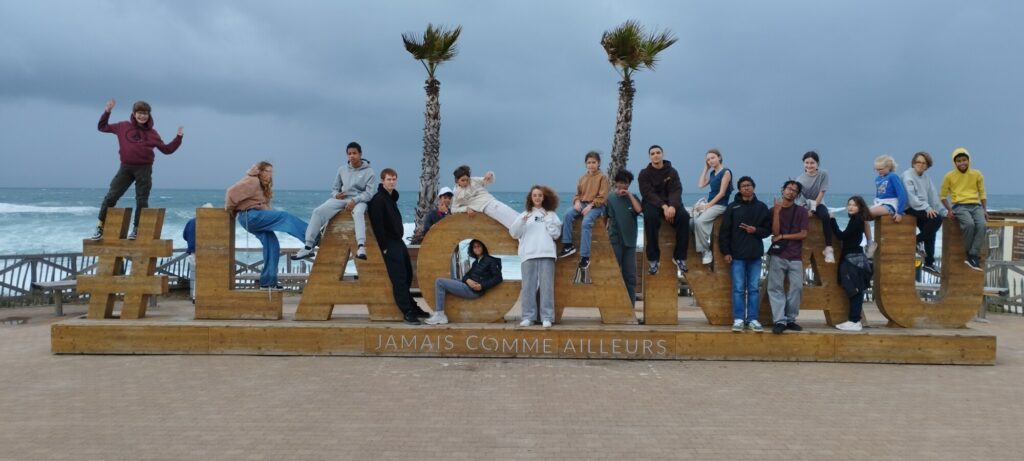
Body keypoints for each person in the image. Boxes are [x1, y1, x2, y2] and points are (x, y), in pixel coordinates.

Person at [92, 99, 184, 240]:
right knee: (111, 196)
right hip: (125, 168)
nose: (143, 116)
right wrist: (107, 111)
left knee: (142, 200)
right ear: (134, 114)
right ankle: (100, 226)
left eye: (145, 113)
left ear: (149, 115)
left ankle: (136, 229)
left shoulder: (153, 133)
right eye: (140, 113)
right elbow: (102, 127)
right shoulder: (123, 126)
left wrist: (178, 138)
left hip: (144, 169)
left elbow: (167, 150)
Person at [224, 162, 308, 290]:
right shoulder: (253, 181)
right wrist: (230, 210)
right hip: (250, 216)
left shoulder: (263, 186)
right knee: (284, 217)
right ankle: (312, 239)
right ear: (260, 171)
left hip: (254, 218)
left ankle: (268, 282)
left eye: (272, 171)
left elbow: (265, 208)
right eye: (268, 171)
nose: (270, 174)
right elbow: (231, 192)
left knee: (272, 246)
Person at [293, 142, 376, 261]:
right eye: (349, 154)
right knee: (318, 211)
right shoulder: (342, 169)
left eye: (354, 153)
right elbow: (334, 188)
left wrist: (355, 200)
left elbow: (369, 193)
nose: (352, 156)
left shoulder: (369, 171)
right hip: (343, 199)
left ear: (360, 154)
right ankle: (308, 247)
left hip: (359, 201)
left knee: (358, 213)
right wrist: (336, 195)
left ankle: (361, 247)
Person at [368, 168, 429, 325]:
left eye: (394, 179)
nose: (392, 182)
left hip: (398, 241)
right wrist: (384, 247)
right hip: (389, 243)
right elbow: (377, 225)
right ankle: (407, 312)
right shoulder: (378, 199)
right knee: (399, 278)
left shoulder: (390, 198)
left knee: (408, 274)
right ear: (382, 181)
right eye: (389, 179)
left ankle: (412, 306)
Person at [718, 176, 771, 333]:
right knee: (738, 289)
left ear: (753, 187)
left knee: (754, 289)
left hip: (755, 255)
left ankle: (753, 319)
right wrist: (726, 252)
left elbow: (768, 230)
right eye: (743, 186)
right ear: (739, 189)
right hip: (737, 256)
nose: (746, 188)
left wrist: (755, 230)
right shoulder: (732, 207)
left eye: (749, 185)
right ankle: (739, 319)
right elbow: (724, 232)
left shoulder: (761, 207)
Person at [509, 185, 561, 328]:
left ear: (544, 198)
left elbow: (556, 234)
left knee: (547, 288)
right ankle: (528, 317)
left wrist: (547, 219)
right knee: (528, 287)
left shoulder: (551, 214)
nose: (537, 198)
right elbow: (514, 233)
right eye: (535, 195)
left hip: (547, 254)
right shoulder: (525, 214)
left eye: (540, 195)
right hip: (528, 255)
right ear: (531, 198)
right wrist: (522, 221)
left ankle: (547, 317)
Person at [638, 145, 690, 275]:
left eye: (658, 152)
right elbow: (647, 193)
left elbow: (676, 190)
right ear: (649, 157)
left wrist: (672, 206)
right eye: (652, 153)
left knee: (684, 217)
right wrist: (664, 206)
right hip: (652, 203)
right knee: (650, 218)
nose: (655, 155)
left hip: (671, 203)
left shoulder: (672, 172)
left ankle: (679, 257)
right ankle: (653, 259)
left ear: (663, 154)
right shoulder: (644, 173)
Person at [425, 239, 503, 325]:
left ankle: (440, 315)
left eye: (479, 246)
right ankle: (443, 312)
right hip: (469, 286)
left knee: (440, 282)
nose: (476, 248)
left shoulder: (490, 260)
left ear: (483, 247)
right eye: (474, 247)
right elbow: (466, 276)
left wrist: (482, 286)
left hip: (473, 291)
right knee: (453, 279)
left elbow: (498, 278)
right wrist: (468, 280)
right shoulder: (476, 262)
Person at [767, 180, 809, 334]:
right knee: (775, 287)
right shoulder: (773, 210)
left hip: (795, 256)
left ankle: (790, 319)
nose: (791, 192)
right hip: (778, 255)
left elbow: (803, 234)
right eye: (789, 188)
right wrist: (777, 213)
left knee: (797, 287)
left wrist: (784, 236)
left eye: (794, 190)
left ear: (797, 194)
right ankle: (780, 320)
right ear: (783, 190)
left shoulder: (801, 211)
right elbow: (775, 233)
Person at [558, 151, 610, 268]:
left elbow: (602, 197)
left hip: (597, 206)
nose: (591, 165)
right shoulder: (582, 178)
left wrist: (590, 206)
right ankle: (568, 245)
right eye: (589, 162)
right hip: (582, 203)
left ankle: (585, 257)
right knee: (567, 214)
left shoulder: (603, 177)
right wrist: (577, 202)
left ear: (598, 163)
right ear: (585, 164)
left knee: (586, 223)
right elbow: (577, 194)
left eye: (594, 162)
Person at [940, 147, 988, 271]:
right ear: (954, 162)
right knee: (969, 225)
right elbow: (942, 196)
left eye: (964, 160)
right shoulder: (949, 176)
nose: (962, 163)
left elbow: (982, 193)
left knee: (982, 225)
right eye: (959, 161)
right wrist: (949, 210)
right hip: (959, 206)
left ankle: (972, 254)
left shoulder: (977, 174)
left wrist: (984, 210)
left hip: (976, 205)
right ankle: (969, 254)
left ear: (969, 160)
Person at [830, 196, 873, 332]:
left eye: (854, 205)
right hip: (852, 257)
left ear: (860, 207)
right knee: (854, 290)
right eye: (849, 204)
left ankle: (855, 321)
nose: (850, 207)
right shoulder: (857, 220)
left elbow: (842, 236)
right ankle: (853, 320)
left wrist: (832, 220)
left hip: (853, 260)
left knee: (854, 290)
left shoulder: (857, 220)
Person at [902, 151, 947, 273]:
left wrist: (944, 212)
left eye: (924, 163)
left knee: (931, 231)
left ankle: (928, 263)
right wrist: (927, 208)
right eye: (918, 162)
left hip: (922, 208)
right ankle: (915, 241)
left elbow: (933, 198)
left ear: (927, 166)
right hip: (909, 208)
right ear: (913, 163)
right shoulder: (907, 175)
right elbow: (912, 199)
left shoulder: (926, 178)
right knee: (936, 219)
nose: (920, 165)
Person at [605, 169, 642, 306]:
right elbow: (605, 218)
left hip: (630, 242)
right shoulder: (610, 198)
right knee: (613, 274)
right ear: (616, 183)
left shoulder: (633, 197)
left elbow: (639, 210)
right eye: (620, 182)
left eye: (626, 183)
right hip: (615, 241)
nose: (623, 186)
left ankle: (630, 307)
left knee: (630, 277)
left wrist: (630, 195)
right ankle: (612, 305)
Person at [795, 151, 836, 263]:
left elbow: (822, 192)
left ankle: (828, 248)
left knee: (825, 215)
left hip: (818, 203)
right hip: (804, 204)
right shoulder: (799, 179)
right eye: (807, 162)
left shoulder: (823, 174)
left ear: (817, 163)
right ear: (803, 163)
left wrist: (813, 209)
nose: (809, 165)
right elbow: (800, 198)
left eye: (812, 163)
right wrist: (805, 209)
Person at [693, 148, 733, 265]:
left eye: (713, 158)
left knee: (699, 222)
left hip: (720, 205)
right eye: (708, 159)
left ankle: (706, 251)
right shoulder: (712, 173)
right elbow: (700, 185)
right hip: (711, 204)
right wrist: (706, 169)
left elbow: (722, 193)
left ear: (719, 157)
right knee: (692, 220)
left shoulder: (726, 172)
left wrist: (707, 206)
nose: (710, 161)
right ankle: (703, 244)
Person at [451, 165, 519, 228]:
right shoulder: (456, 193)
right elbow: (453, 209)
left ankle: (523, 227)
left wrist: (490, 174)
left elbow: (487, 181)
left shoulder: (474, 180)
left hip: (491, 201)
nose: (465, 182)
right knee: (507, 219)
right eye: (463, 180)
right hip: (484, 208)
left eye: (467, 180)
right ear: (457, 180)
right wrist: (466, 209)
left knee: (510, 213)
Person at [182, 203, 214, 303]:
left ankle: (196, 297)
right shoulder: (208, 222)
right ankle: (205, 296)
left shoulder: (191, 222)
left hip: (192, 252)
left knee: (199, 275)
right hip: (205, 252)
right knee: (208, 275)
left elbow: (184, 236)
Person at [869, 155, 908, 223]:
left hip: (890, 205)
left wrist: (899, 212)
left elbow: (901, 194)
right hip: (880, 203)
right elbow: (878, 195)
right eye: (876, 169)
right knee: (860, 212)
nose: (878, 171)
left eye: (881, 169)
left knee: (866, 213)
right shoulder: (877, 179)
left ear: (888, 167)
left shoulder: (893, 176)